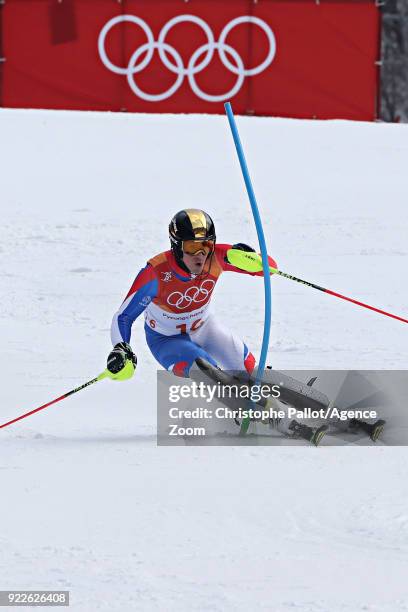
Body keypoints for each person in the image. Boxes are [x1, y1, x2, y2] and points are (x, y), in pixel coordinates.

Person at [107, 208, 277, 379]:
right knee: (206, 370)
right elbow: (123, 317)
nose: (200, 254)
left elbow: (271, 269)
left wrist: (253, 261)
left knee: (251, 370)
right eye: (191, 247)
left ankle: (287, 396)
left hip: (206, 329)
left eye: (207, 245)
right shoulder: (155, 273)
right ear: (176, 246)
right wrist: (121, 348)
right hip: (167, 340)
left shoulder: (216, 257)